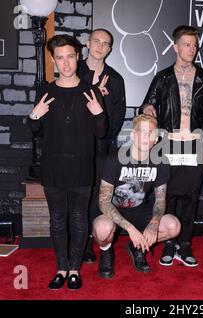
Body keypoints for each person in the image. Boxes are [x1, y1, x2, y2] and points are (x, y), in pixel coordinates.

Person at [27, 34, 106, 289]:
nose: (65, 63)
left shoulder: (91, 91)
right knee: (57, 220)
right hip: (53, 168)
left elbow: (101, 132)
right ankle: (61, 268)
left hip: (82, 167)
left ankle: (75, 268)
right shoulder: (46, 91)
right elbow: (35, 130)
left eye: (70, 56)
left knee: (79, 219)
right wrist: (34, 116)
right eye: (59, 58)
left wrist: (99, 114)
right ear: (53, 60)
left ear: (77, 56)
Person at [141, 25, 203, 267]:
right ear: (175, 47)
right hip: (168, 146)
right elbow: (146, 104)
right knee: (167, 197)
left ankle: (185, 246)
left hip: (195, 146)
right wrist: (147, 109)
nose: (192, 49)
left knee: (191, 198)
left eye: (194, 45)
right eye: (187, 44)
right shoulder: (163, 77)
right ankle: (169, 244)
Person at [93, 114, 180, 277]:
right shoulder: (115, 158)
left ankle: (137, 247)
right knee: (102, 230)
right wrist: (130, 229)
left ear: (157, 138)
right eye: (142, 131)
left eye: (151, 133)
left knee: (173, 226)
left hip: (139, 210)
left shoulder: (161, 162)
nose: (147, 137)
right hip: (113, 211)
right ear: (133, 135)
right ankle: (106, 251)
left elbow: (160, 201)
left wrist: (153, 224)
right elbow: (104, 202)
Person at [77, 28, 126, 263]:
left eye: (105, 43)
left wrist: (102, 99)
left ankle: (92, 242)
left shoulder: (115, 79)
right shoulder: (73, 72)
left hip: (101, 150)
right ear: (87, 43)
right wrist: (94, 89)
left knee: (97, 196)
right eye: (96, 41)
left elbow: (116, 119)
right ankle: (80, 241)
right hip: (74, 148)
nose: (100, 46)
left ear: (110, 49)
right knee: (78, 196)